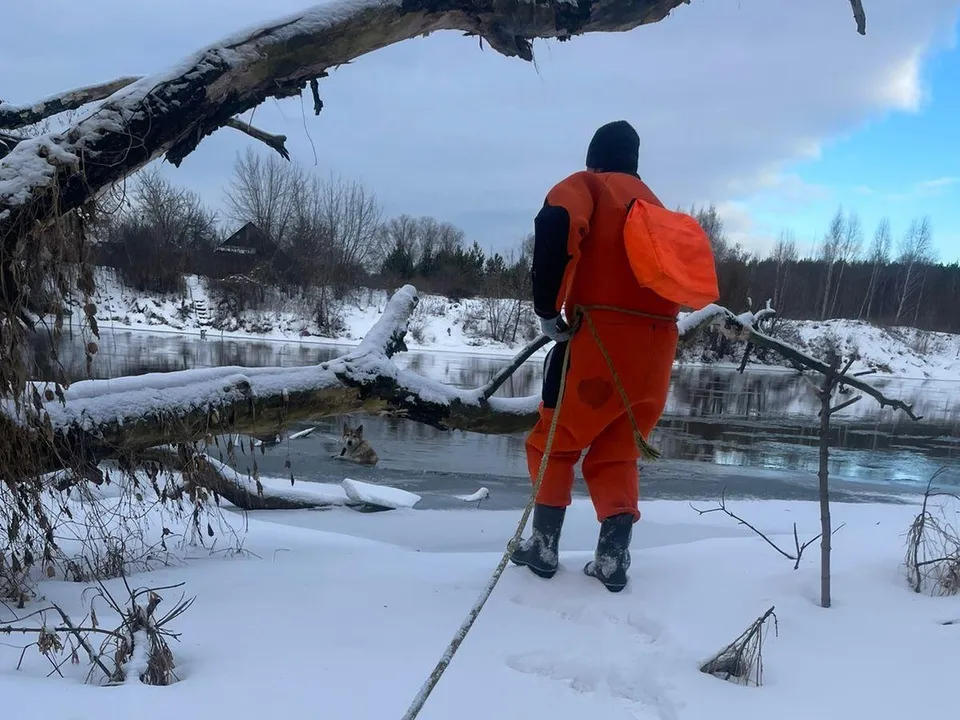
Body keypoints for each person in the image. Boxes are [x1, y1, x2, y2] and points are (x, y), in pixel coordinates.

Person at [509, 120, 683, 593]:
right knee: (618, 452)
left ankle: (543, 551)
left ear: (594, 158)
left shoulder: (588, 185)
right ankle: (612, 559)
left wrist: (547, 310)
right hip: (658, 353)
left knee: (552, 443)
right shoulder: (657, 209)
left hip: (598, 341)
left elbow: (555, 221)